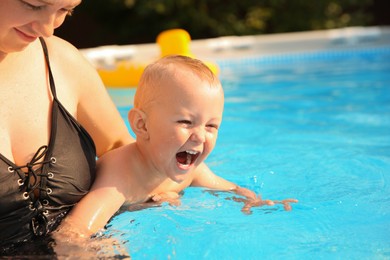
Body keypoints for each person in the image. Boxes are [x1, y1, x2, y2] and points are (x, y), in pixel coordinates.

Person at [62, 55, 298, 236]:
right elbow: (76, 230)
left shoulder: (189, 171)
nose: (200, 136)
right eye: (186, 122)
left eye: (211, 126)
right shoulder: (120, 176)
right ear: (142, 125)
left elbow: (229, 189)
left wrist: (253, 201)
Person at [0, 0, 134, 252]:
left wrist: (79, 227)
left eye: (65, 10)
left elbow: (122, 151)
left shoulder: (63, 62)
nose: (48, 28)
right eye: (34, 5)